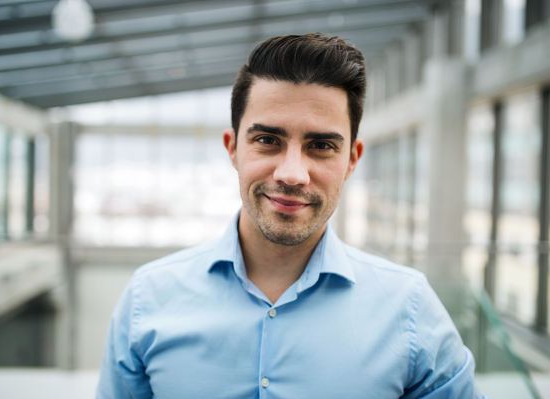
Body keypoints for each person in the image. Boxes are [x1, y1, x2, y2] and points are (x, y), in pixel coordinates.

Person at [97, 33, 484, 398]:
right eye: (267, 140)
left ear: (352, 159)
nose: (292, 174)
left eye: (320, 145)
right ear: (233, 149)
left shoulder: (409, 308)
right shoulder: (148, 298)